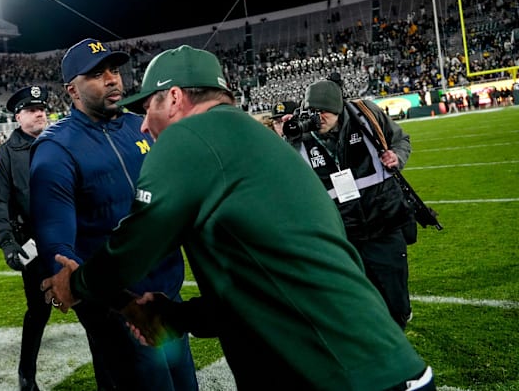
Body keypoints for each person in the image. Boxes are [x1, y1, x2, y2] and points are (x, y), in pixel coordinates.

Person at [40, 45, 435, 391]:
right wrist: (177, 316)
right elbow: (266, 286)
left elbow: (133, 248)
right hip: (390, 367)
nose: (143, 124)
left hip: (331, 375)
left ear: (174, 98)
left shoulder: (189, 137)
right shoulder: (264, 141)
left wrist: (75, 283)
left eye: (149, 107)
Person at [29, 38, 197, 391]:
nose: (112, 80)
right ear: (72, 90)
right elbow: (56, 244)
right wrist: (123, 305)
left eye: (114, 70)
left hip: (166, 298)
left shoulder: (142, 127)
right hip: (116, 312)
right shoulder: (55, 149)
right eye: (96, 74)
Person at [283, 78, 415, 329]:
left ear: (338, 109)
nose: (317, 118)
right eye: (312, 111)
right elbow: (284, 175)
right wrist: (287, 137)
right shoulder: (300, 134)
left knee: (395, 295)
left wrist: (396, 156)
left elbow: (401, 140)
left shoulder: (366, 116)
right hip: (342, 230)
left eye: (324, 112)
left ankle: (400, 315)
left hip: (383, 220)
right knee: (357, 298)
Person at [0, 85, 52, 391]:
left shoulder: (62, 141)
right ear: (18, 116)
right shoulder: (4, 156)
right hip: (34, 246)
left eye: (43, 108)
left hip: (75, 241)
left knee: (93, 308)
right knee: (39, 311)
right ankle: (27, 373)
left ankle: (111, 376)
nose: (40, 113)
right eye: (32, 110)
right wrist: (8, 243)